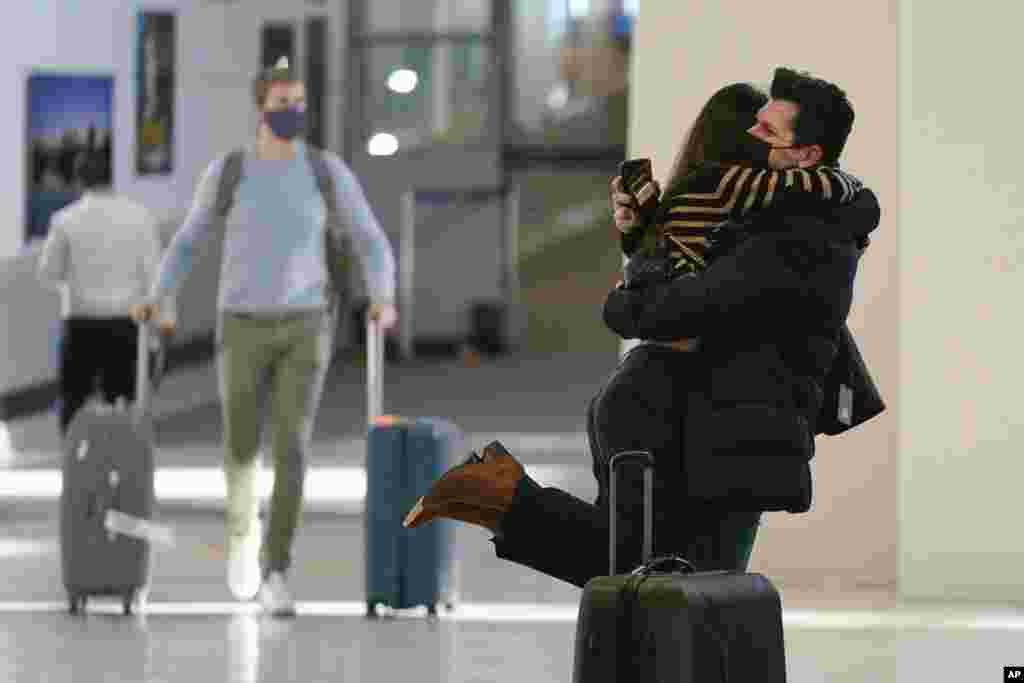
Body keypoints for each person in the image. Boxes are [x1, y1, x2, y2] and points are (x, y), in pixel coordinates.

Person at [405, 67, 881, 589]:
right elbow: (686, 304)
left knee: (657, 579)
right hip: (689, 415)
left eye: (767, 132)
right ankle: (499, 495)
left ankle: (498, 495)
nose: (751, 139)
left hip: (717, 424)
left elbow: (684, 304)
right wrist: (638, 275)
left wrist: (629, 295)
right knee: (660, 580)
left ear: (806, 156)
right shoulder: (779, 216)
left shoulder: (797, 229)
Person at [132, 60, 398, 616]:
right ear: (260, 108)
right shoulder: (230, 172)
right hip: (241, 325)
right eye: (281, 103)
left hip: (305, 324)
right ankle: (242, 540)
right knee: (241, 448)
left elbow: (370, 238)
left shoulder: (324, 172)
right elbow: (188, 241)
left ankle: (277, 568)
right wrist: (159, 296)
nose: (291, 112)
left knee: (293, 447)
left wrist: (383, 295)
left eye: (298, 101)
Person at [38, 156, 176, 435]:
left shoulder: (64, 221)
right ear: (112, 179)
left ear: (79, 181)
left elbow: (47, 273)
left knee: (74, 400)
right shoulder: (140, 217)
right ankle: (122, 462)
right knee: (124, 400)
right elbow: (156, 275)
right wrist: (166, 321)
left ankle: (73, 461)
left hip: (81, 323)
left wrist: (74, 280)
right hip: (127, 325)